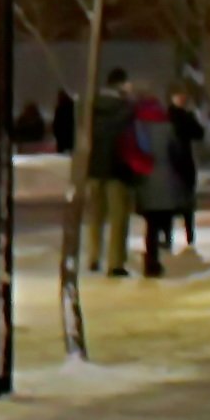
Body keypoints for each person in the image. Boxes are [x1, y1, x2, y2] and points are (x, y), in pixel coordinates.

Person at [80, 72, 142, 278]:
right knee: (118, 218)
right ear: (123, 84)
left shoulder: (90, 107)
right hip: (118, 169)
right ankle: (115, 263)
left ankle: (94, 256)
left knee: (95, 215)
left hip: (94, 167)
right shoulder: (127, 108)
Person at [133, 82, 197, 275]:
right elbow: (176, 153)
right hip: (165, 178)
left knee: (150, 224)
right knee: (163, 216)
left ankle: (150, 258)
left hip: (144, 179)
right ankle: (159, 254)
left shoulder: (137, 128)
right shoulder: (166, 127)